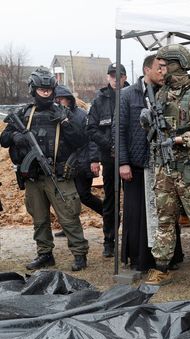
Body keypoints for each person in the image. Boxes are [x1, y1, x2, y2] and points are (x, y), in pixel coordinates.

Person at [143, 44, 190, 292]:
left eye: (164, 66)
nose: (161, 71)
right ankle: (162, 266)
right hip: (165, 169)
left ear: (177, 65)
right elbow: (157, 129)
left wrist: (178, 140)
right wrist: (149, 124)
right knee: (164, 219)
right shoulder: (162, 93)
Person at [0, 67, 89, 271]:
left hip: (57, 175)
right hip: (32, 177)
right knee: (39, 219)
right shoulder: (23, 113)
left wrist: (65, 123)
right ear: (34, 89)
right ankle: (45, 254)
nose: (46, 93)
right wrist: (16, 137)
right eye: (42, 89)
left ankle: (79, 254)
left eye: (49, 89)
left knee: (69, 217)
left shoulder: (62, 112)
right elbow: (3, 139)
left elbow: (80, 141)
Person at [117, 54, 183, 272]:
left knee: (166, 211)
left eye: (165, 67)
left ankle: (167, 257)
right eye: (159, 67)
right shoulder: (127, 95)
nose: (163, 71)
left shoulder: (169, 94)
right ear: (147, 69)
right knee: (137, 214)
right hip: (137, 164)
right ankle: (139, 259)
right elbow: (118, 130)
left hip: (163, 164)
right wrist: (123, 162)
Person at [87, 63, 128, 258]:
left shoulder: (133, 95)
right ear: (107, 78)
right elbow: (91, 129)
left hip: (130, 158)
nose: (115, 79)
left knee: (132, 200)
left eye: (118, 76)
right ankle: (109, 240)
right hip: (110, 158)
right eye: (112, 76)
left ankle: (130, 240)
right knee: (111, 200)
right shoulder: (99, 100)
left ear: (124, 77)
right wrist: (107, 146)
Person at [54, 85, 103, 216]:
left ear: (69, 99)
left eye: (61, 99)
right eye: (56, 100)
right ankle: (70, 227)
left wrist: (94, 160)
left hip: (82, 162)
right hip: (64, 163)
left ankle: (109, 214)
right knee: (66, 197)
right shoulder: (55, 116)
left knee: (83, 195)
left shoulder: (81, 115)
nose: (58, 102)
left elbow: (92, 138)